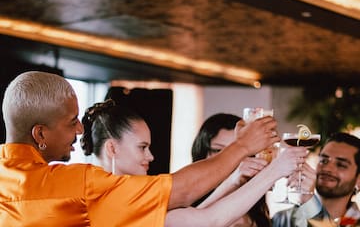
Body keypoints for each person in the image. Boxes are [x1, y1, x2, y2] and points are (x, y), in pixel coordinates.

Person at [0, 70, 285, 226]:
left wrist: (237, 177)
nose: (78, 130)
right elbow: (185, 195)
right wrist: (243, 146)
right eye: (71, 122)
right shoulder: (80, 187)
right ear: (40, 133)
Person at [81, 101, 307, 226]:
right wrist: (274, 170)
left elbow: (199, 217)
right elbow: (208, 220)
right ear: (112, 148)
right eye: (142, 147)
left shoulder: (117, 192)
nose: (150, 157)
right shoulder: (113, 197)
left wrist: (234, 180)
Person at [191, 113, 272, 227]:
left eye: (238, 151)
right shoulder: (183, 198)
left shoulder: (253, 197)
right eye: (218, 150)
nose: (229, 158)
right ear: (202, 154)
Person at [272, 132, 360, 227]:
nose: (327, 168)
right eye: (323, 161)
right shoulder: (283, 219)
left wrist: (309, 202)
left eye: (341, 165)